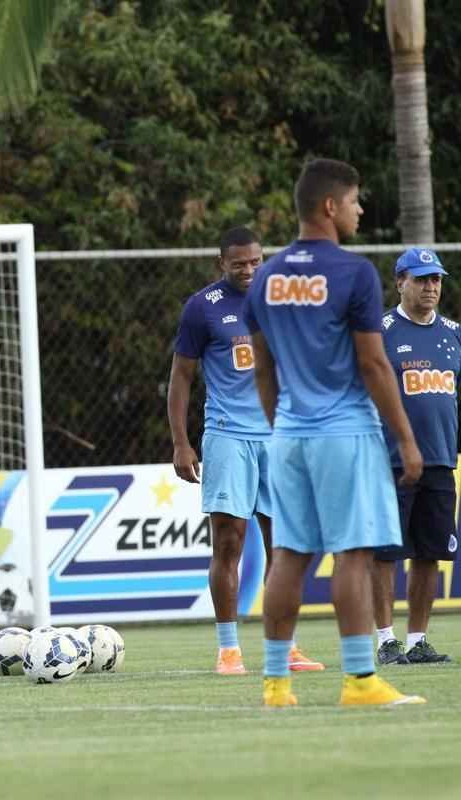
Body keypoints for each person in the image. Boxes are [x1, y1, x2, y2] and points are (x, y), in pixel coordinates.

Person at [245, 158, 426, 707]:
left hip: (290, 434)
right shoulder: (353, 273)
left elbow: (263, 368)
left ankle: (276, 685)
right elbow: (373, 365)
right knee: (352, 553)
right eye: (353, 201)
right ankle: (359, 681)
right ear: (330, 207)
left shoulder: (266, 277)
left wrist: (282, 427)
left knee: (291, 555)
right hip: (345, 433)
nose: (359, 209)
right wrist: (406, 438)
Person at [169, 226, 323, 676]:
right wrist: (181, 442)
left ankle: (286, 648)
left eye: (256, 261)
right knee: (229, 542)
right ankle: (229, 650)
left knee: (285, 545)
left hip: (279, 439)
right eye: (239, 263)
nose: (250, 269)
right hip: (228, 435)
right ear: (222, 263)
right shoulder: (202, 308)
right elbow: (181, 376)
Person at [372, 247, 457, 666]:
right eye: (422, 278)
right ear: (400, 281)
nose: (431, 286)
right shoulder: (381, 329)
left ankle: (417, 639)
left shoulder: (454, 333)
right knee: (386, 553)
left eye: (436, 279)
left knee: (431, 553)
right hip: (391, 461)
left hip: (441, 460)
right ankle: (386, 640)